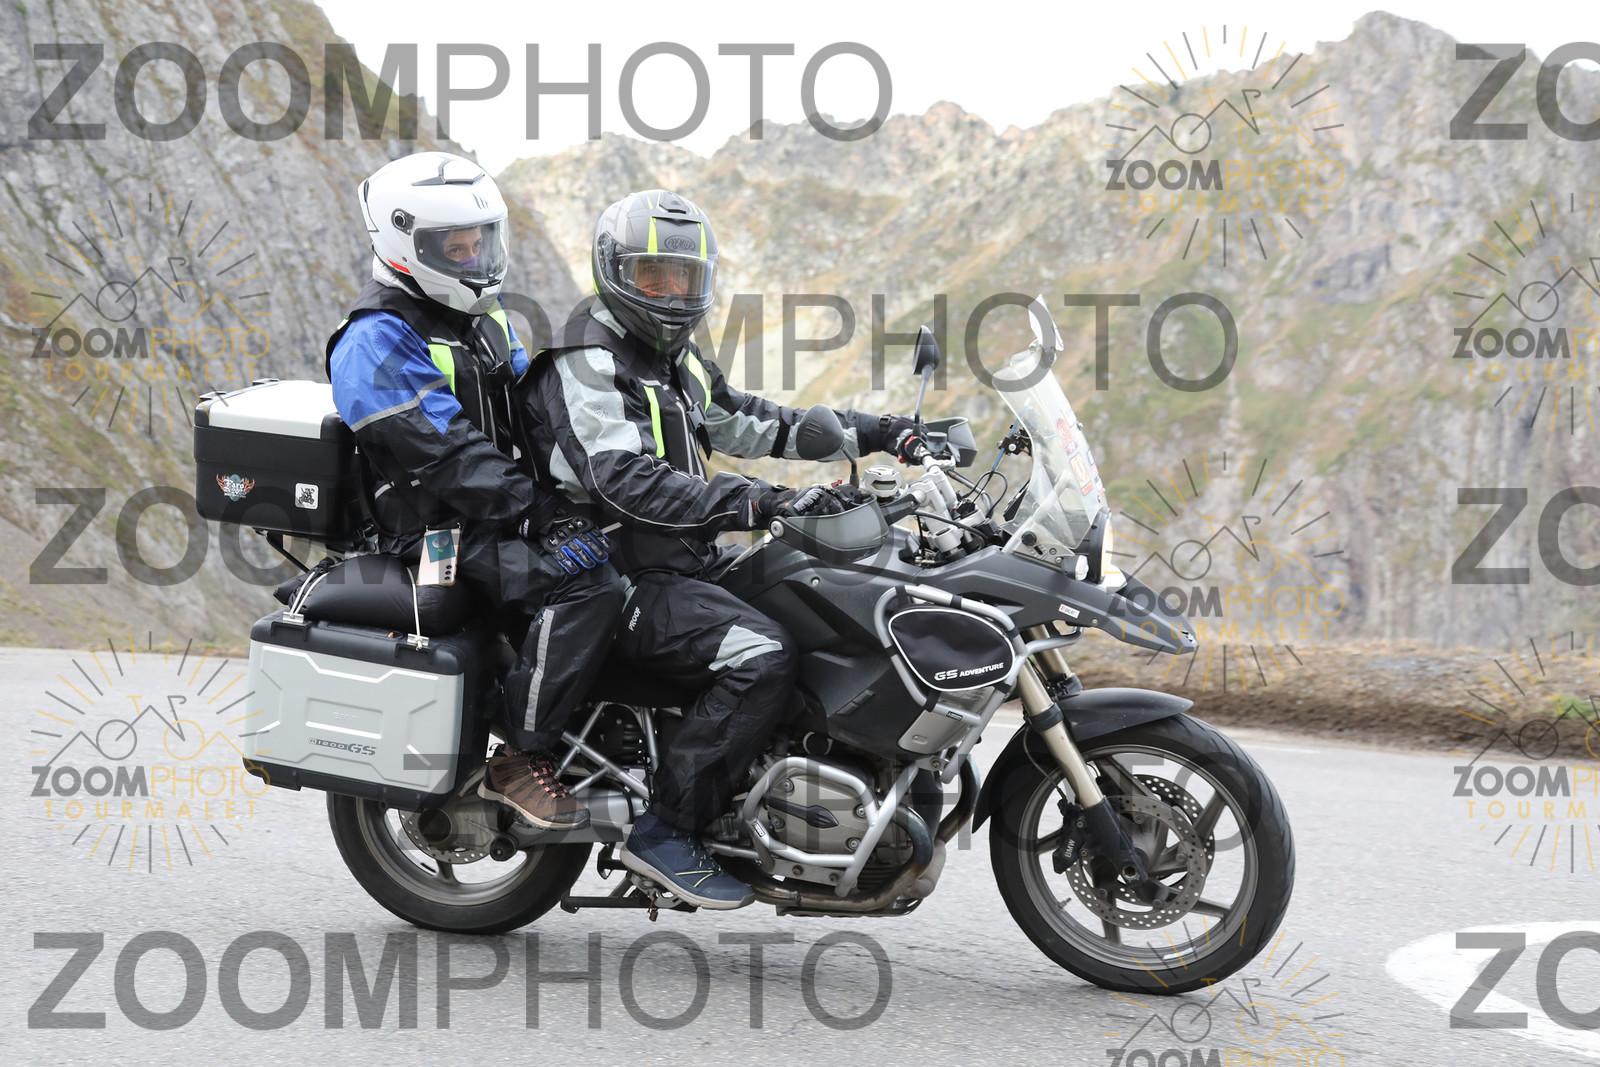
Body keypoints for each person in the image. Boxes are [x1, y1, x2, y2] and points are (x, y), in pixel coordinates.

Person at [516, 189, 915, 908]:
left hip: (681, 560)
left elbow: (750, 420)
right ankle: (665, 830)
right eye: (653, 275)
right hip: (616, 572)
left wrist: (882, 432)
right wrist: (757, 501)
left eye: (684, 276)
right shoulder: (585, 359)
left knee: (818, 594)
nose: (672, 293)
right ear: (614, 270)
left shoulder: (674, 358)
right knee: (760, 654)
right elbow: (619, 477)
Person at [326, 151, 624, 832]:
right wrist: (541, 514)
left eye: (479, 243)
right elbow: (447, 454)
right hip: (432, 536)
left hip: (495, 513)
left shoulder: (486, 321)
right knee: (587, 584)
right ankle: (520, 756)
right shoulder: (374, 340)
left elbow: (534, 410)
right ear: (405, 245)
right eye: (453, 248)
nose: (472, 259)